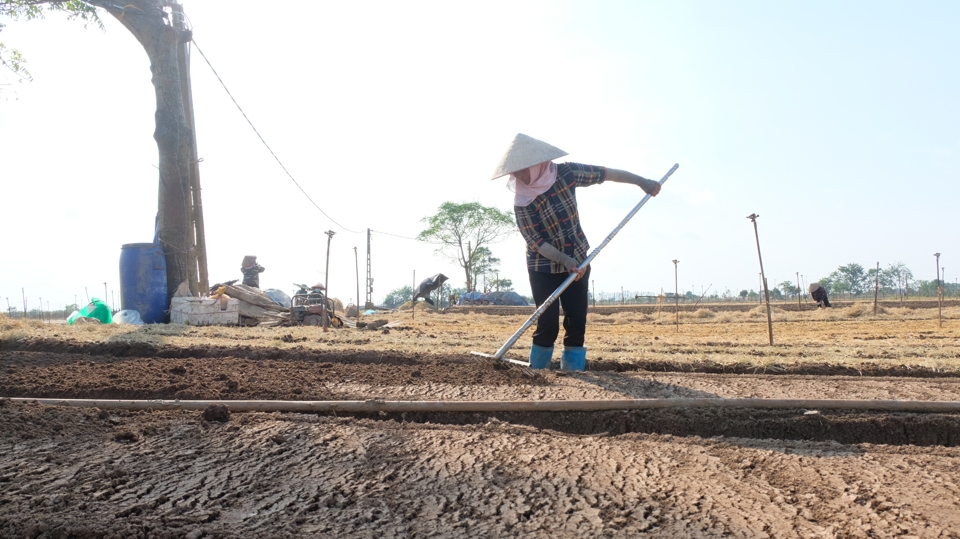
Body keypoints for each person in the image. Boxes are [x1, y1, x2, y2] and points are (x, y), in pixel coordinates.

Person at [491, 133, 661, 371]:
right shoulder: (522, 201)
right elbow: (536, 241)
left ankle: (573, 374)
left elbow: (606, 174)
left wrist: (642, 182)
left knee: (576, 320)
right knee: (548, 323)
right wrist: (564, 260)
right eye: (514, 172)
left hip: (579, 261)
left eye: (522, 169)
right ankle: (537, 372)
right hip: (543, 267)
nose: (518, 176)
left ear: (537, 164)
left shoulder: (567, 173)